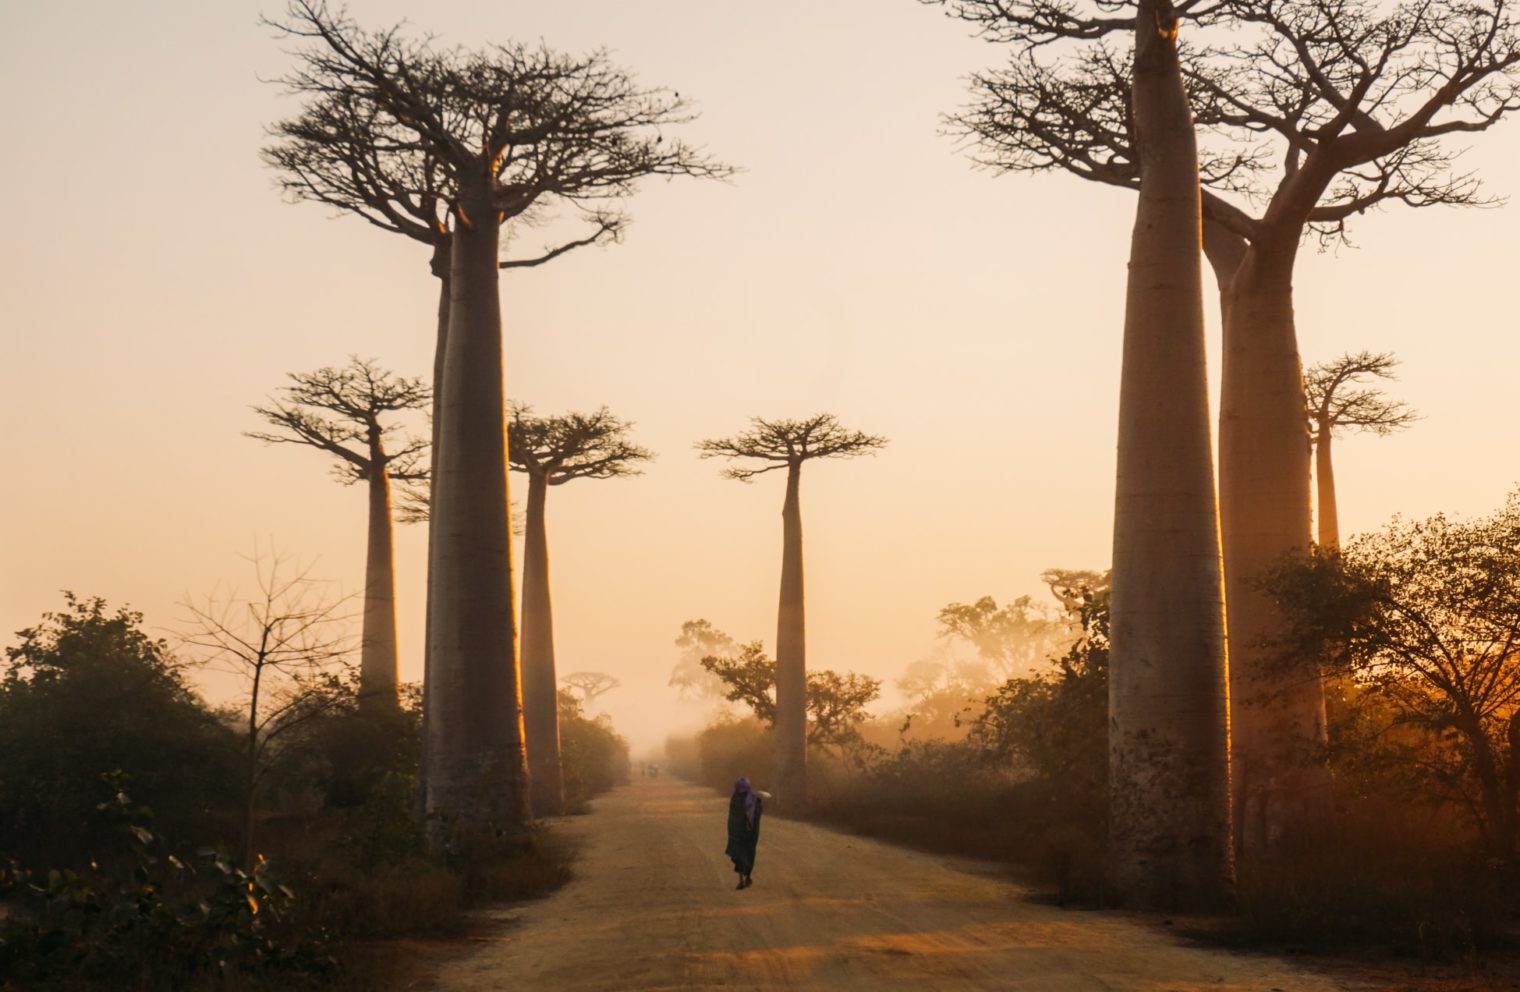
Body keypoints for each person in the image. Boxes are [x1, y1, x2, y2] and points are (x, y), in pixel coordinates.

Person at [725, 776, 763, 889]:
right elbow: (758, 815)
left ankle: (741, 879)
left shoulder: (734, 799)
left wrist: (731, 832)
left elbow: (732, 817)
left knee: (740, 854)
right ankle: (748, 877)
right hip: (751, 833)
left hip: (737, 832)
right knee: (749, 853)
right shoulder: (754, 799)